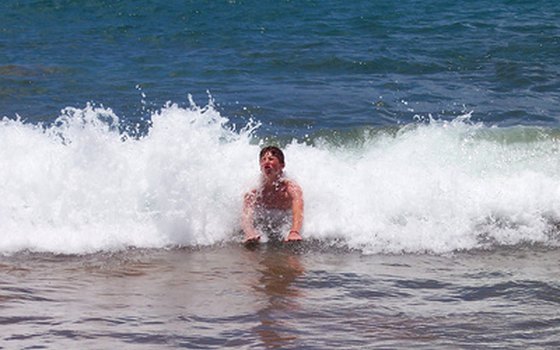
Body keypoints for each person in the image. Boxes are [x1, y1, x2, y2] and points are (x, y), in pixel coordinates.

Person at [242, 146, 304, 244]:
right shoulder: (254, 190)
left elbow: (298, 211)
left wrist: (294, 232)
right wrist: (249, 232)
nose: (266, 162)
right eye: (263, 159)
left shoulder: (290, 188)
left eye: (271, 159)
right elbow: (246, 214)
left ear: (282, 165)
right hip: (263, 223)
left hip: (284, 222)